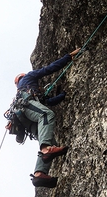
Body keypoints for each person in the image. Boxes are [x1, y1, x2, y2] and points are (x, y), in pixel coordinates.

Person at [14, 48, 80, 188]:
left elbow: (47, 102)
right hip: (27, 107)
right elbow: (48, 69)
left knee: (49, 139)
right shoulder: (28, 78)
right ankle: (46, 149)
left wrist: (63, 95)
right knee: (47, 114)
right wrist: (68, 57)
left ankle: (39, 174)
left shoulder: (32, 93)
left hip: (26, 120)